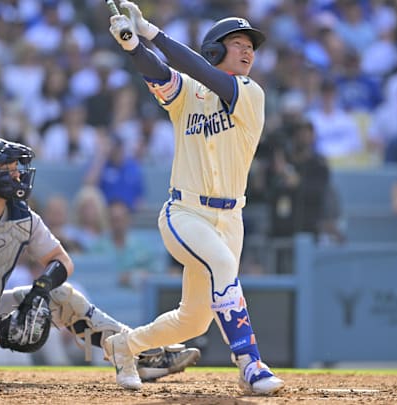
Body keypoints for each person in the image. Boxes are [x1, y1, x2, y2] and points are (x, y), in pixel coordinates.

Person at [0, 137, 199, 383]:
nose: (17, 175)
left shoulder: (23, 216)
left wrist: (41, 288)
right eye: (8, 169)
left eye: (17, 168)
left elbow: (62, 261)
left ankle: (139, 353)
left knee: (64, 296)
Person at [105, 1, 284, 394]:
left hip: (231, 218)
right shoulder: (188, 94)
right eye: (237, 43)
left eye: (251, 45)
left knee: (194, 321)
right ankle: (250, 364)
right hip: (184, 213)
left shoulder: (251, 93)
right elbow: (162, 72)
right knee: (222, 264)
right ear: (216, 50)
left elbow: (198, 70)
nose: (248, 50)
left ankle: (123, 345)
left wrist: (150, 33)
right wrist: (133, 46)